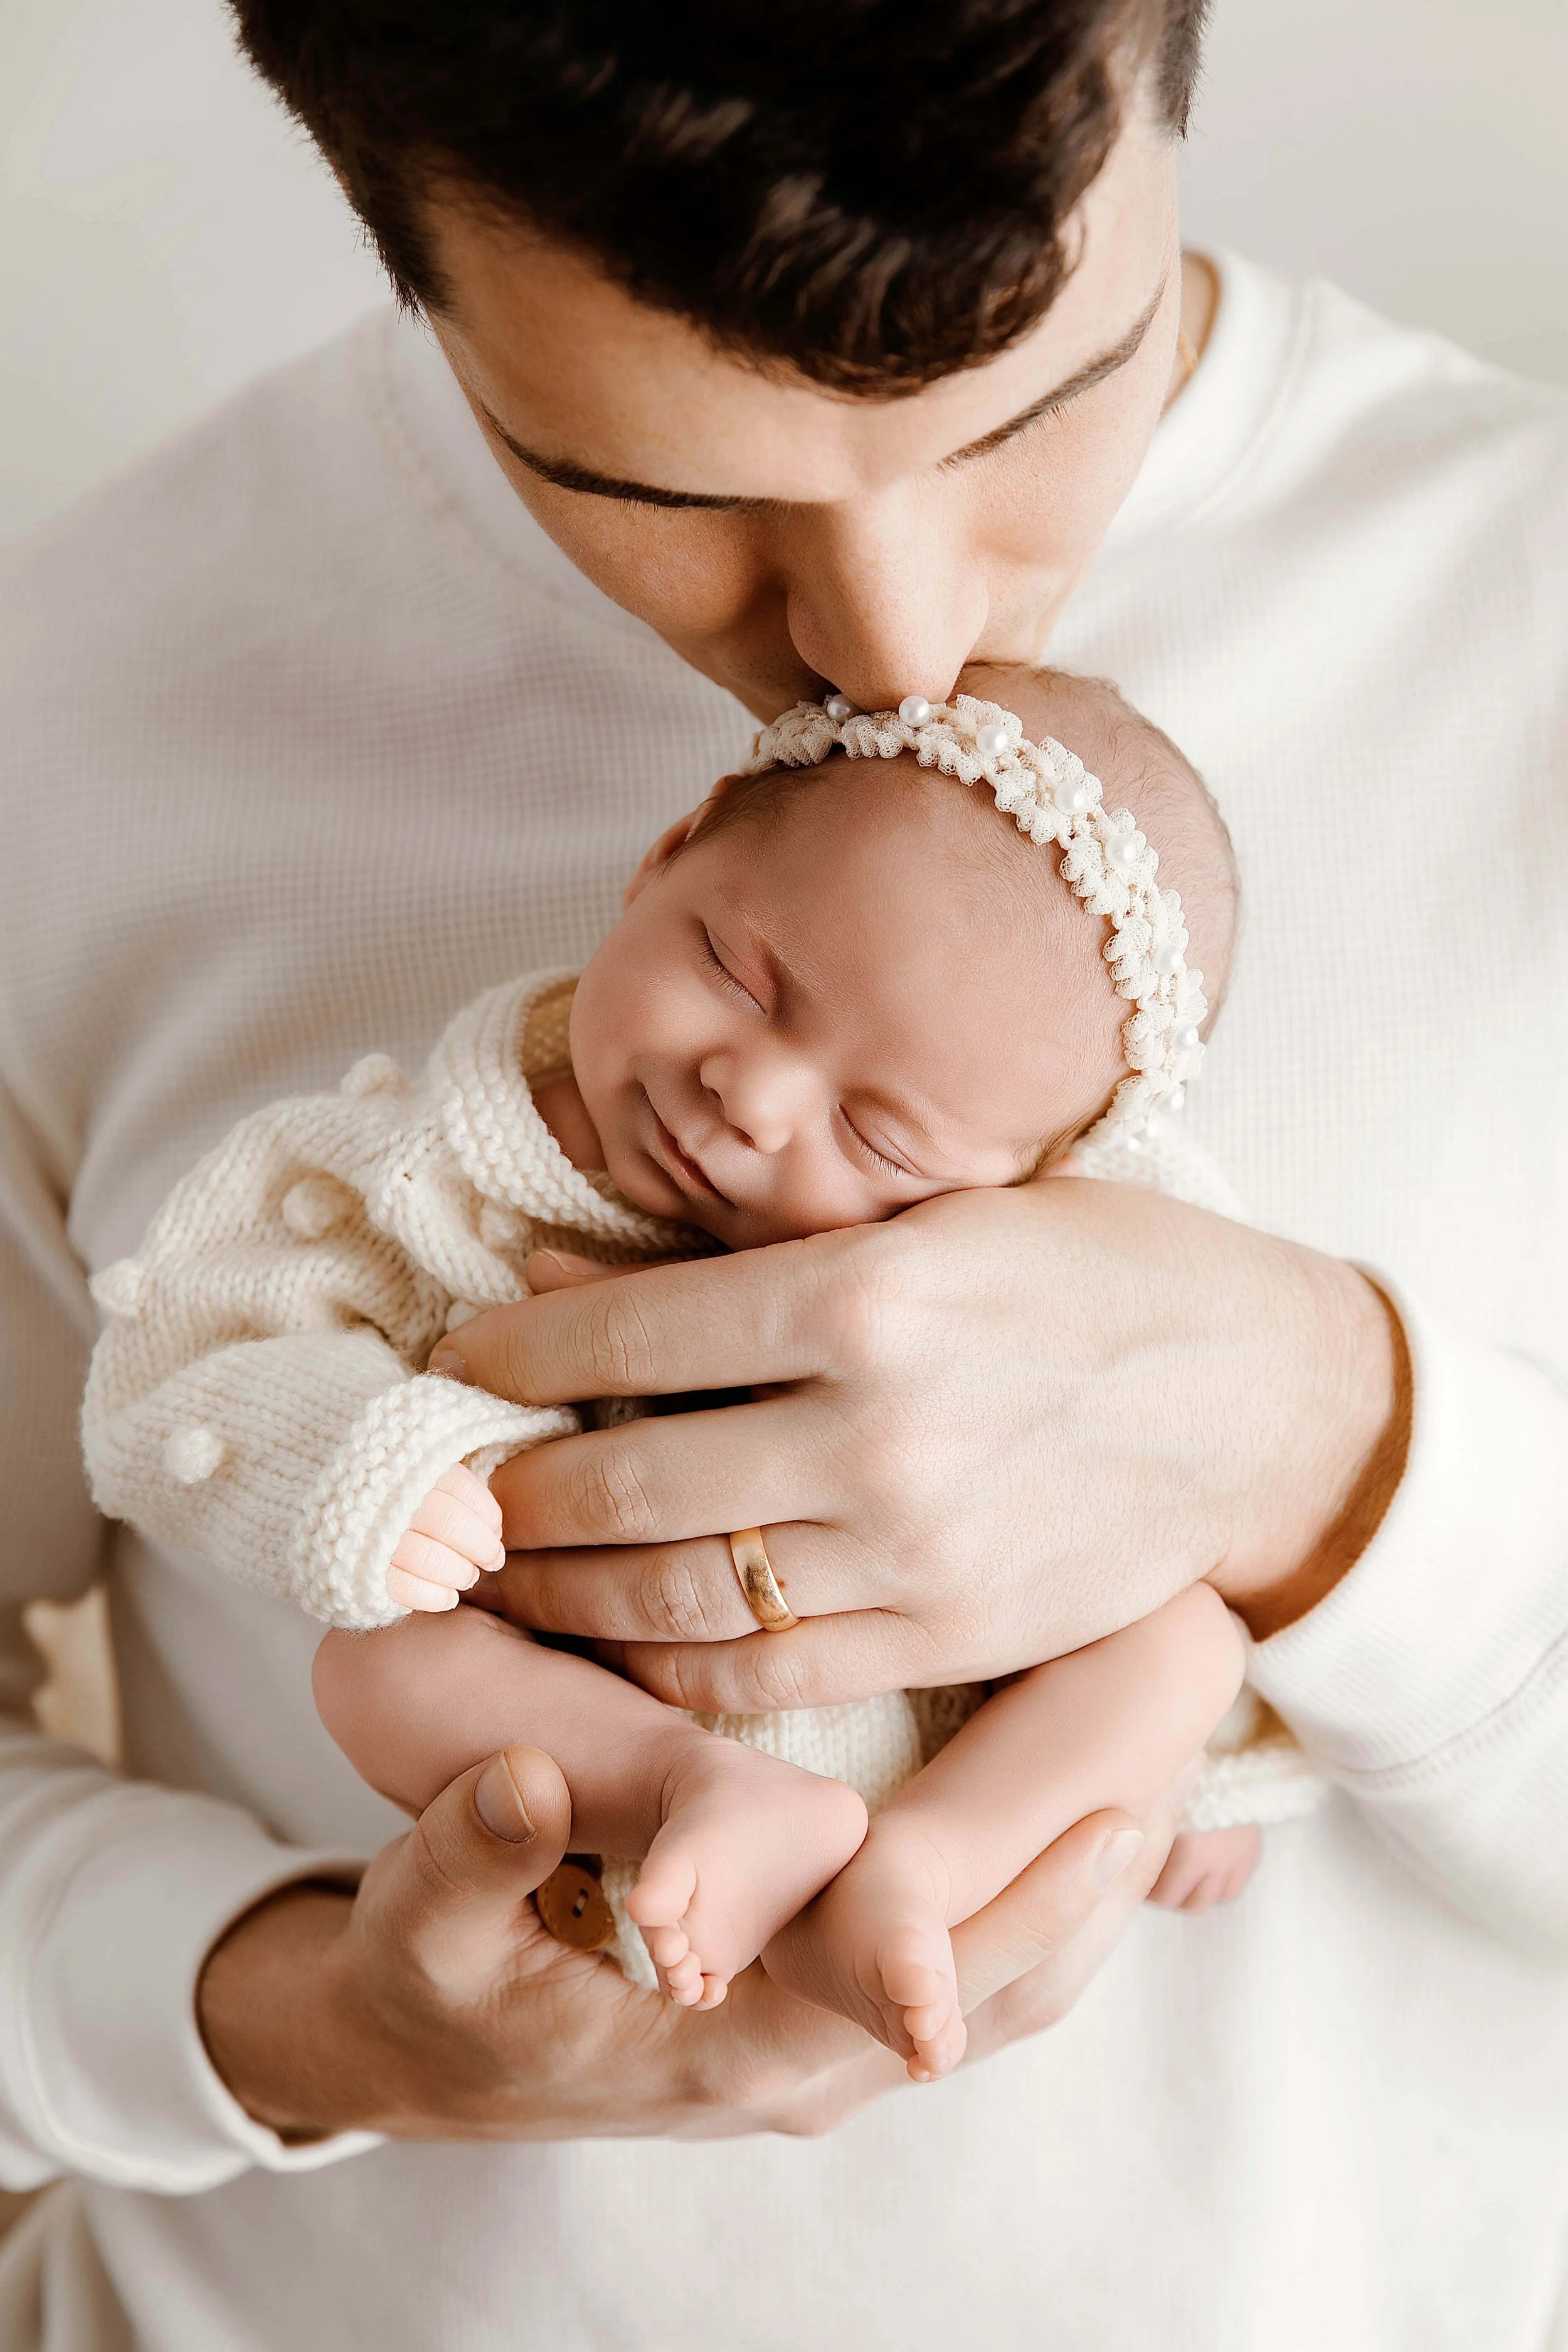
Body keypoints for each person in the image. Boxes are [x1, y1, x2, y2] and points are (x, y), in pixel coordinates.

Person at [0, 3, 1564, 2346]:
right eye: (660, 483)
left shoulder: (1520, 618)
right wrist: (283, 2022)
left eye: (1036, 398)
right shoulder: (73, 715)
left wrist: (1353, 1464)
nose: (900, 646)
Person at [80, 665, 1300, 2081]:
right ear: (673, 849)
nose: (754, 1096)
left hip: (940, 1724)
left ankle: (914, 1867)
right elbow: (191, 1359)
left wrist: (1187, 1755)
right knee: (375, 1666)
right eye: (739, 973)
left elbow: (1182, 1462)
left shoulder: (1075, 1257)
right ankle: (689, 1790)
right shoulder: (426, 1181)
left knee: (1181, 1639)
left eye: (882, 1138)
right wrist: (374, 1458)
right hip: (598, 1747)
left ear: (1050, 1172)